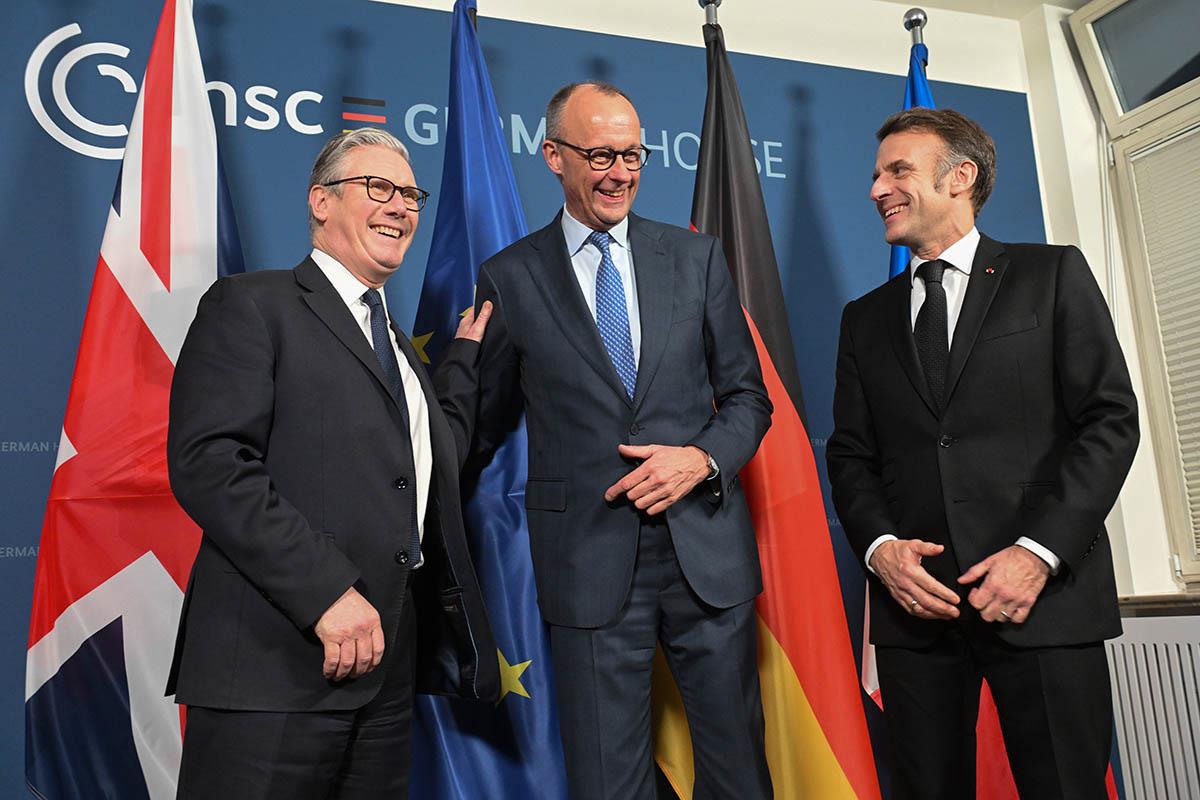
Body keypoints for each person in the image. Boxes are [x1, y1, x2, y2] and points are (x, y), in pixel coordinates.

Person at [453, 81, 774, 800]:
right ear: (554, 156)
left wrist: (700, 459)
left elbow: (749, 399)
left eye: (633, 155)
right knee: (606, 780)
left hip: (705, 557)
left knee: (738, 773)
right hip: (587, 565)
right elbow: (480, 425)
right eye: (600, 155)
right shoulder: (510, 276)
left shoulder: (695, 258)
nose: (620, 173)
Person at [165, 127, 498, 799]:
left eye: (411, 194)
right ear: (321, 201)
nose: (400, 205)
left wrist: (461, 362)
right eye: (378, 187)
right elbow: (211, 463)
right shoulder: (252, 304)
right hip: (272, 671)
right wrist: (325, 592)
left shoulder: (397, 348)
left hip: (384, 678)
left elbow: (425, 465)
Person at [827, 107, 1139, 799]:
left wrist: (1038, 554)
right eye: (876, 175)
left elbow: (1110, 420)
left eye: (898, 170)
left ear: (960, 176)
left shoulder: (1051, 274)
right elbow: (851, 455)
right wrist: (880, 549)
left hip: (1044, 598)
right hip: (918, 610)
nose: (877, 189)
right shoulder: (864, 319)